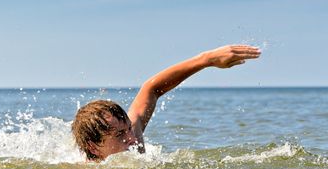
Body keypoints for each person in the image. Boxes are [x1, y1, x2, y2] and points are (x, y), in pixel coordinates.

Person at [71, 45, 261, 161]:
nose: (132, 138)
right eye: (120, 135)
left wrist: (206, 60)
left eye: (129, 128)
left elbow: (151, 89)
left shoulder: (133, 141)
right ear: (93, 147)